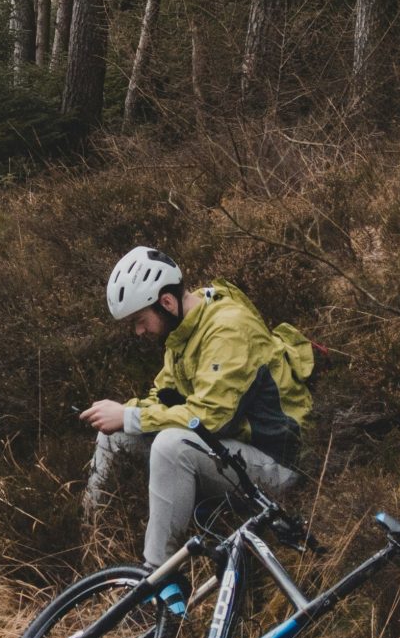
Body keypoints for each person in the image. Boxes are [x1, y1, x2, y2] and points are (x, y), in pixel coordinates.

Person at [79, 247, 314, 606]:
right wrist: (123, 416)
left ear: (167, 303)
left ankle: (158, 581)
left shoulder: (227, 329)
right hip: (229, 451)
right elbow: (166, 396)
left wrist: (129, 414)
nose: (139, 332)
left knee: (172, 446)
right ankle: (87, 547)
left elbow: (210, 417)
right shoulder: (182, 332)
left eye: (140, 320)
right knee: (115, 437)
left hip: (275, 464)